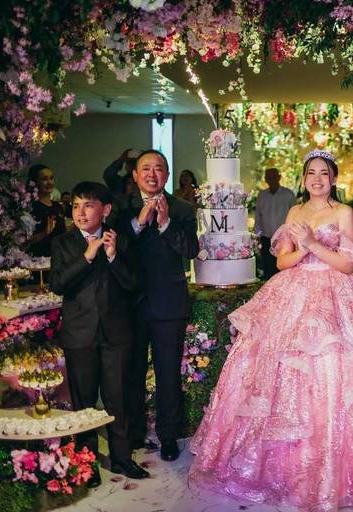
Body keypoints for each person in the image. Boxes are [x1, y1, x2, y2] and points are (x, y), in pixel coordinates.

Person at [189, 150, 353, 510]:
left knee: (332, 367)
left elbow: (348, 265)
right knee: (277, 368)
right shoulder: (295, 212)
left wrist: (313, 244)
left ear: (333, 179)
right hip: (293, 291)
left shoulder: (344, 212)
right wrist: (302, 251)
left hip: (335, 294)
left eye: (324, 173)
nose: (317, 179)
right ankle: (279, 469)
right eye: (311, 173)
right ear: (304, 179)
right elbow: (282, 261)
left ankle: (336, 471)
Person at [49, 181, 149, 487]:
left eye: (88, 205)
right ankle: (87, 463)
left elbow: (134, 284)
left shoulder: (120, 240)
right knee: (85, 402)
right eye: (76, 206)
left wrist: (112, 255)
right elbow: (58, 284)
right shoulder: (63, 243)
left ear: (105, 210)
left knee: (119, 399)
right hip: (79, 333)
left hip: (116, 333)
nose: (80, 213)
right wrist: (87, 256)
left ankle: (122, 457)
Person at [114, 149, 199, 462]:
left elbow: (191, 250)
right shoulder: (120, 207)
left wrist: (165, 224)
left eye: (159, 169)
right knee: (132, 371)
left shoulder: (182, 208)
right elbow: (118, 248)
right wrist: (138, 223)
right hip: (130, 303)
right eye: (146, 169)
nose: (152, 174)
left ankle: (168, 435)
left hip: (169, 302)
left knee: (168, 373)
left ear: (167, 174)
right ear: (135, 175)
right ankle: (134, 432)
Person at [253, 167, 296, 279]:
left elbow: (295, 216)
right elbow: (258, 217)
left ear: (279, 177)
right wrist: (257, 236)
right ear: (265, 179)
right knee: (268, 268)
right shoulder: (262, 195)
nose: (271, 179)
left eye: (273, 177)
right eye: (269, 177)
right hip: (266, 237)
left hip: (284, 238)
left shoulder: (288, 194)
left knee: (283, 268)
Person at [27, 164, 67, 257]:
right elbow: (23, 242)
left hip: (59, 258)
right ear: (34, 182)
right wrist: (45, 233)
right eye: (44, 179)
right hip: (38, 259)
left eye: (51, 178)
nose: (49, 182)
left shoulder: (58, 207)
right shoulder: (30, 207)